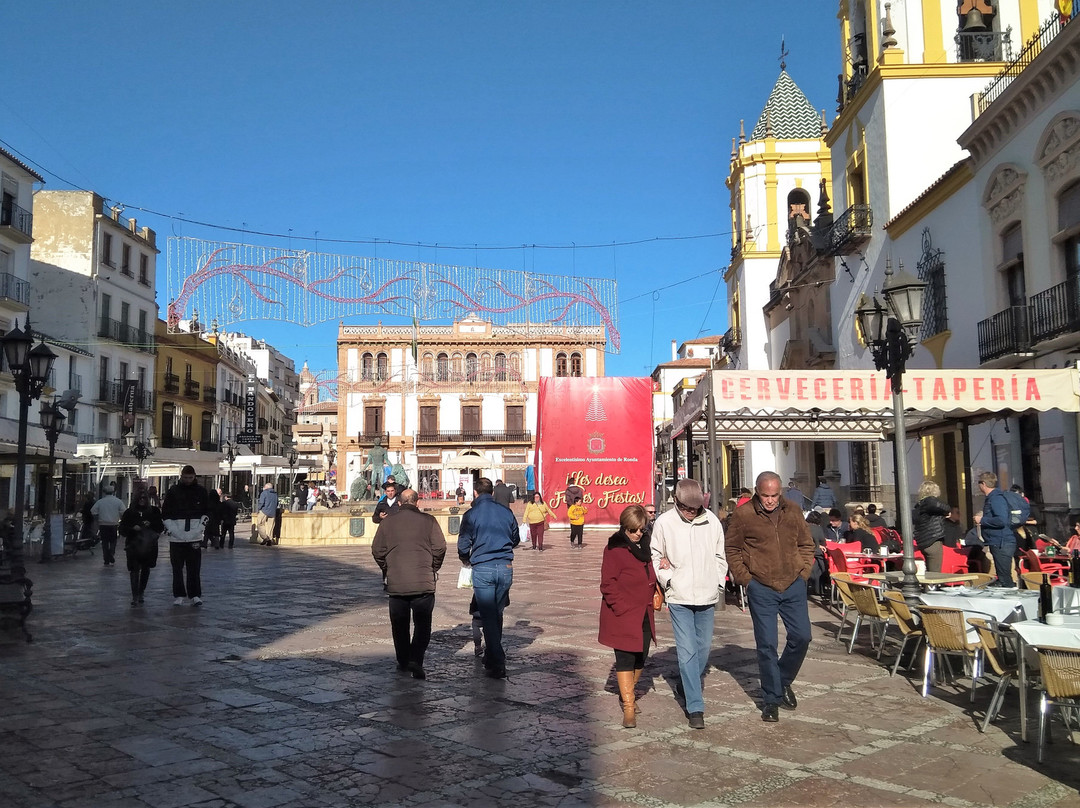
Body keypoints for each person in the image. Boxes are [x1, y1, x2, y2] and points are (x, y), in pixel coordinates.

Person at [725, 471, 813, 724]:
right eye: (765, 495)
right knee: (767, 644)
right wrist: (746, 579)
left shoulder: (793, 510)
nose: (770, 500)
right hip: (761, 586)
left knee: (802, 636)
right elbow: (732, 549)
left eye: (775, 495)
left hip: (793, 583)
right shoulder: (743, 515)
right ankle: (771, 699)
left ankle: (782, 680)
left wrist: (804, 572)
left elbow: (806, 544)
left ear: (781, 492)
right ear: (757, 491)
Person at [650, 478, 727, 730]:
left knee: (703, 649)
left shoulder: (712, 521)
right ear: (677, 502)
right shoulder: (664, 523)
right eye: (686, 508)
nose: (690, 512)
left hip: (707, 596)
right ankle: (695, 706)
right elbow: (656, 555)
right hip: (679, 596)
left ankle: (687, 680)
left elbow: (719, 555)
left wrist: (718, 582)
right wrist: (667, 579)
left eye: (695, 508)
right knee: (687, 651)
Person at [371, 488, 447, 680]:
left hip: (396, 585)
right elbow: (440, 547)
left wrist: (387, 568)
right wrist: (432, 567)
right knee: (423, 625)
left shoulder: (387, 523)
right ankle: (416, 658)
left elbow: (377, 550)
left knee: (399, 625)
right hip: (423, 584)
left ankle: (403, 661)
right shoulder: (429, 521)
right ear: (417, 502)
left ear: (399, 502)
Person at [599, 504, 657, 729]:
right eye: (633, 530)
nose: (637, 534)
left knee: (641, 657)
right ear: (624, 527)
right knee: (625, 659)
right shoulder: (615, 549)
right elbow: (607, 584)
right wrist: (620, 607)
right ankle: (629, 707)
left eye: (641, 530)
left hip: (643, 613)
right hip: (622, 614)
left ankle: (627, 694)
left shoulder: (645, 547)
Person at [457, 477, 520, 679]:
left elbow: (462, 545)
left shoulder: (471, 514)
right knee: (497, 613)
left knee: (489, 615)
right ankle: (491, 658)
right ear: (492, 493)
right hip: (505, 567)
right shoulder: (506, 512)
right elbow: (516, 538)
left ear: (475, 493)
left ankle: (498, 660)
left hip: (483, 567)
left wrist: (466, 558)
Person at [161, 465, 210, 606]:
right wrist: (172, 529)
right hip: (176, 536)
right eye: (185, 477)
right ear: (181, 477)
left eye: (190, 477)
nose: (188, 480)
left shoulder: (201, 491)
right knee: (177, 568)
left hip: (195, 535)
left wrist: (201, 527)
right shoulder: (173, 491)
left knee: (194, 568)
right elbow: (165, 512)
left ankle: (195, 595)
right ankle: (179, 595)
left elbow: (207, 511)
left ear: (194, 476)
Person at [118, 489, 164, 606]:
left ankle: (141, 592)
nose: (142, 500)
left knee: (146, 569)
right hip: (133, 544)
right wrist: (133, 528)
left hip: (149, 545)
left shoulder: (154, 511)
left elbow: (160, 527)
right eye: (140, 498)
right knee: (134, 570)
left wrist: (151, 524)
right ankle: (135, 596)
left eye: (144, 498)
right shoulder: (129, 512)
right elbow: (122, 529)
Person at [974, 471, 1017, 587]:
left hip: (1002, 542)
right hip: (997, 541)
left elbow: (1001, 520)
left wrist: (981, 520)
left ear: (983, 484)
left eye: (978, 483)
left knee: (1004, 579)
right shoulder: (992, 498)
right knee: (1002, 577)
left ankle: (1011, 601)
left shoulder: (996, 499)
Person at [912, 480, 951, 573]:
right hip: (932, 539)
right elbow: (943, 507)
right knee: (935, 573)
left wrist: (942, 514)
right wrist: (946, 511)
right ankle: (933, 587)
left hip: (923, 541)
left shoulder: (919, 505)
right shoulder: (930, 501)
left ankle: (928, 587)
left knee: (930, 572)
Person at [91, 484, 125, 566]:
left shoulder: (100, 501)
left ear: (104, 492)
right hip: (114, 524)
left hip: (103, 524)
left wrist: (97, 519)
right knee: (113, 541)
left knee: (105, 542)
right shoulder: (118, 501)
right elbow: (123, 512)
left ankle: (106, 558)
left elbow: (93, 511)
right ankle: (111, 553)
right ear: (113, 492)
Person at [805, 511, 828, 597]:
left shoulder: (803, 527)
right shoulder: (818, 529)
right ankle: (819, 588)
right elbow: (823, 542)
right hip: (816, 555)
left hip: (804, 554)